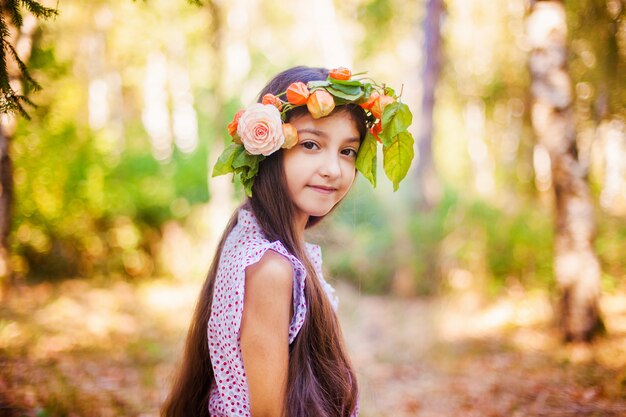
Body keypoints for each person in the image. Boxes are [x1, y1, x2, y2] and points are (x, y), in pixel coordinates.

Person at [161, 66, 414, 417]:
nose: (334, 169)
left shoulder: (254, 232)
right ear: (269, 150)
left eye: (347, 151)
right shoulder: (270, 268)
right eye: (311, 145)